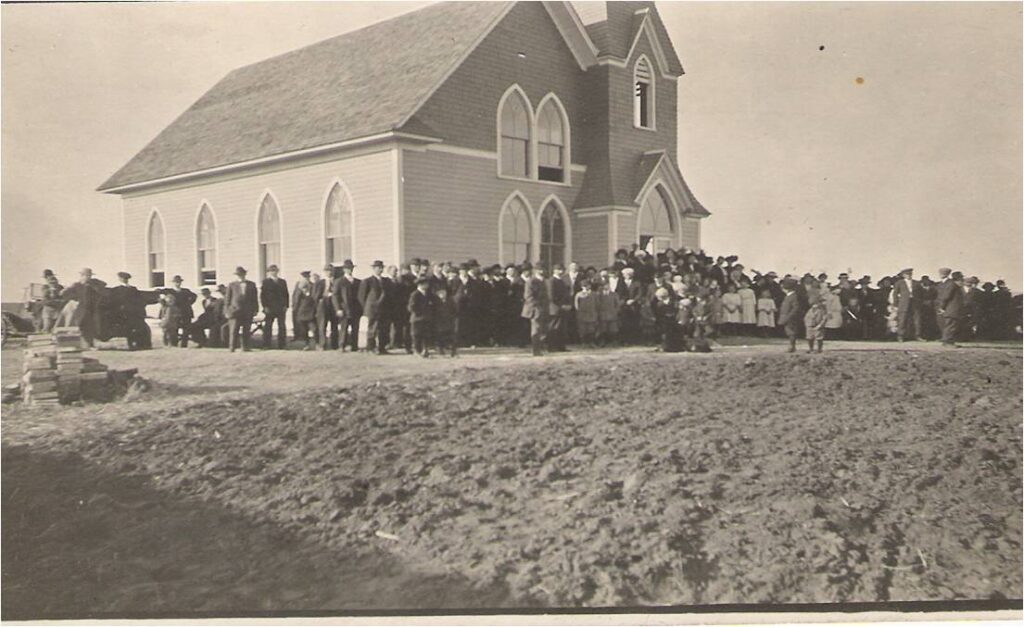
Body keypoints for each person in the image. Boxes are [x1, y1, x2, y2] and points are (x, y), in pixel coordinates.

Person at [61, 268, 107, 348]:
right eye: (86, 275)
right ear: (82, 276)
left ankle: (89, 345)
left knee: (89, 327)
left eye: (90, 275)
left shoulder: (94, 284)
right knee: (73, 327)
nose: (88, 277)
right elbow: (63, 293)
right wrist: (74, 298)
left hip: (90, 309)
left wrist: (95, 286)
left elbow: (104, 287)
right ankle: (70, 345)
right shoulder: (77, 285)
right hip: (78, 310)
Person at [225, 266, 259, 352]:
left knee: (246, 330)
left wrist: (255, 309)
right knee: (234, 330)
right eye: (239, 275)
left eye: (242, 274)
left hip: (247, 310)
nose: (241, 276)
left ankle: (246, 347)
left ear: (245, 274)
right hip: (235, 311)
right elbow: (227, 299)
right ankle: (232, 347)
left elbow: (255, 298)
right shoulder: (232, 285)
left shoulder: (251, 284)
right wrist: (227, 311)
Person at [358, 260, 388, 354]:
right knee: (372, 329)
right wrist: (368, 307)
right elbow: (361, 297)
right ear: (373, 269)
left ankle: (382, 347)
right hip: (371, 309)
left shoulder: (386, 281)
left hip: (383, 309)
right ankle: (371, 348)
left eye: (381, 267)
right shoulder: (367, 281)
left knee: (383, 329)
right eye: (378, 268)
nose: (380, 269)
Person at [332, 260, 361, 352]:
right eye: (347, 268)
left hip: (355, 309)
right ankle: (342, 346)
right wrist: (338, 309)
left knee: (355, 328)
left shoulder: (357, 282)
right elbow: (335, 296)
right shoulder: (339, 281)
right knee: (344, 328)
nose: (349, 270)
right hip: (344, 308)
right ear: (344, 270)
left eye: (351, 268)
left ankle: (354, 346)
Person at [521, 264, 549, 356]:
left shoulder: (544, 281)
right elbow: (528, 296)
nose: (542, 272)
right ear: (535, 270)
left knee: (542, 329)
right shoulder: (531, 281)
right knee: (536, 329)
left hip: (543, 308)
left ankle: (540, 348)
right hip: (534, 309)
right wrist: (536, 307)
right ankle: (536, 350)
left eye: (543, 269)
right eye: (540, 270)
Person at [260, 265, 289, 349]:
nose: (273, 272)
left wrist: (286, 305)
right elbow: (263, 296)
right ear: (268, 272)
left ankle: (282, 344)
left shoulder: (282, 282)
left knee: (282, 326)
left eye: (275, 270)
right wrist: (265, 306)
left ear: (277, 271)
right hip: (270, 308)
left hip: (280, 307)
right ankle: (267, 344)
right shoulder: (265, 282)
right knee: (268, 326)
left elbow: (286, 294)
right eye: (271, 271)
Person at [891, 268, 922, 342]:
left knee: (917, 320)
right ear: (903, 275)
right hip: (903, 304)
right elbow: (895, 294)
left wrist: (919, 302)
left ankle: (918, 336)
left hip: (915, 304)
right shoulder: (899, 283)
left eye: (910, 274)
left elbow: (921, 294)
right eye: (907, 274)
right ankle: (900, 336)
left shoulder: (916, 283)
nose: (909, 275)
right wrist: (896, 304)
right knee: (902, 320)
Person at [547, 264, 572, 352]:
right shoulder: (551, 281)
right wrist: (561, 305)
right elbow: (552, 296)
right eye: (559, 270)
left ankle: (561, 346)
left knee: (562, 327)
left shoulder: (562, 281)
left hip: (563, 307)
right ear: (554, 270)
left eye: (562, 270)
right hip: (555, 308)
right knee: (554, 327)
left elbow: (566, 294)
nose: (561, 271)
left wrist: (568, 304)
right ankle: (551, 346)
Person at [935, 268, 964, 347]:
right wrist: (942, 307)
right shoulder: (952, 285)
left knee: (951, 326)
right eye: (961, 279)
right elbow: (946, 296)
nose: (962, 281)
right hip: (952, 309)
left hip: (951, 309)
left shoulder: (951, 284)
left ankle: (949, 341)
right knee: (950, 326)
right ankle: (947, 342)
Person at [314, 264, 340, 350]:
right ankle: (322, 344)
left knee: (334, 326)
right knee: (322, 326)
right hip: (323, 305)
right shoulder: (320, 283)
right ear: (324, 272)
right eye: (327, 271)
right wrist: (321, 298)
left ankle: (334, 345)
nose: (329, 272)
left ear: (334, 272)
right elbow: (315, 295)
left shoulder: (337, 281)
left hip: (334, 305)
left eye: (331, 271)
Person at [167, 275, 197, 348]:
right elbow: (162, 297)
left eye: (179, 282)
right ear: (173, 283)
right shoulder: (169, 291)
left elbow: (194, 296)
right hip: (175, 313)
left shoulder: (185, 291)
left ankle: (184, 344)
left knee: (186, 329)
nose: (178, 283)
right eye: (176, 282)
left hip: (185, 312)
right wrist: (167, 304)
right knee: (174, 329)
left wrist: (189, 303)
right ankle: (174, 344)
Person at [407, 277, 434, 357]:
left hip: (426, 318)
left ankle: (425, 350)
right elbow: (411, 307)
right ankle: (417, 350)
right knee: (416, 335)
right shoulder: (415, 294)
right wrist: (420, 312)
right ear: (420, 285)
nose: (427, 285)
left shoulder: (428, 294)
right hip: (417, 319)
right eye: (425, 284)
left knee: (425, 335)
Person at [292, 271, 317, 350]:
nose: (306, 279)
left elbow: (315, 298)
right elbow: (295, 298)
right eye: (304, 277)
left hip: (311, 310)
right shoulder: (299, 287)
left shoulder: (313, 286)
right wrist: (295, 308)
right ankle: (306, 344)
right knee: (304, 329)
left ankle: (317, 343)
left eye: (307, 277)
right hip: (301, 310)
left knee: (314, 328)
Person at [777, 278, 802, 353]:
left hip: (790, 317)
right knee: (789, 332)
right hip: (786, 316)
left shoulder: (793, 296)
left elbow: (795, 308)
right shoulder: (788, 296)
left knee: (791, 332)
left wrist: (789, 317)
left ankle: (792, 346)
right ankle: (791, 346)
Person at [574, 281, 599, 347]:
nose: (585, 287)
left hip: (592, 313)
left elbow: (597, 304)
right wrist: (579, 312)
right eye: (584, 286)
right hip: (582, 314)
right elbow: (576, 305)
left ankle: (592, 342)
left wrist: (596, 312)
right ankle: (584, 343)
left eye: (587, 285)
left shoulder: (594, 294)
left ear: (590, 286)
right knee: (582, 329)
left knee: (591, 329)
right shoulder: (578, 294)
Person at [434, 286, 457, 357]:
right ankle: (440, 349)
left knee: (451, 336)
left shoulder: (450, 300)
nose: (442, 294)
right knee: (440, 336)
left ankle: (453, 350)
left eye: (444, 292)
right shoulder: (436, 301)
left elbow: (454, 309)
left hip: (449, 320)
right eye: (440, 293)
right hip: (439, 321)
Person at [596, 280, 620, 347]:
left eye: (607, 285)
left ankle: (613, 342)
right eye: (603, 285)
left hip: (612, 314)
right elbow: (597, 304)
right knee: (603, 329)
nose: (605, 287)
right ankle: (602, 342)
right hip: (602, 314)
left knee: (613, 329)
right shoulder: (599, 295)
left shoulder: (614, 294)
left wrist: (615, 311)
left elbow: (617, 304)